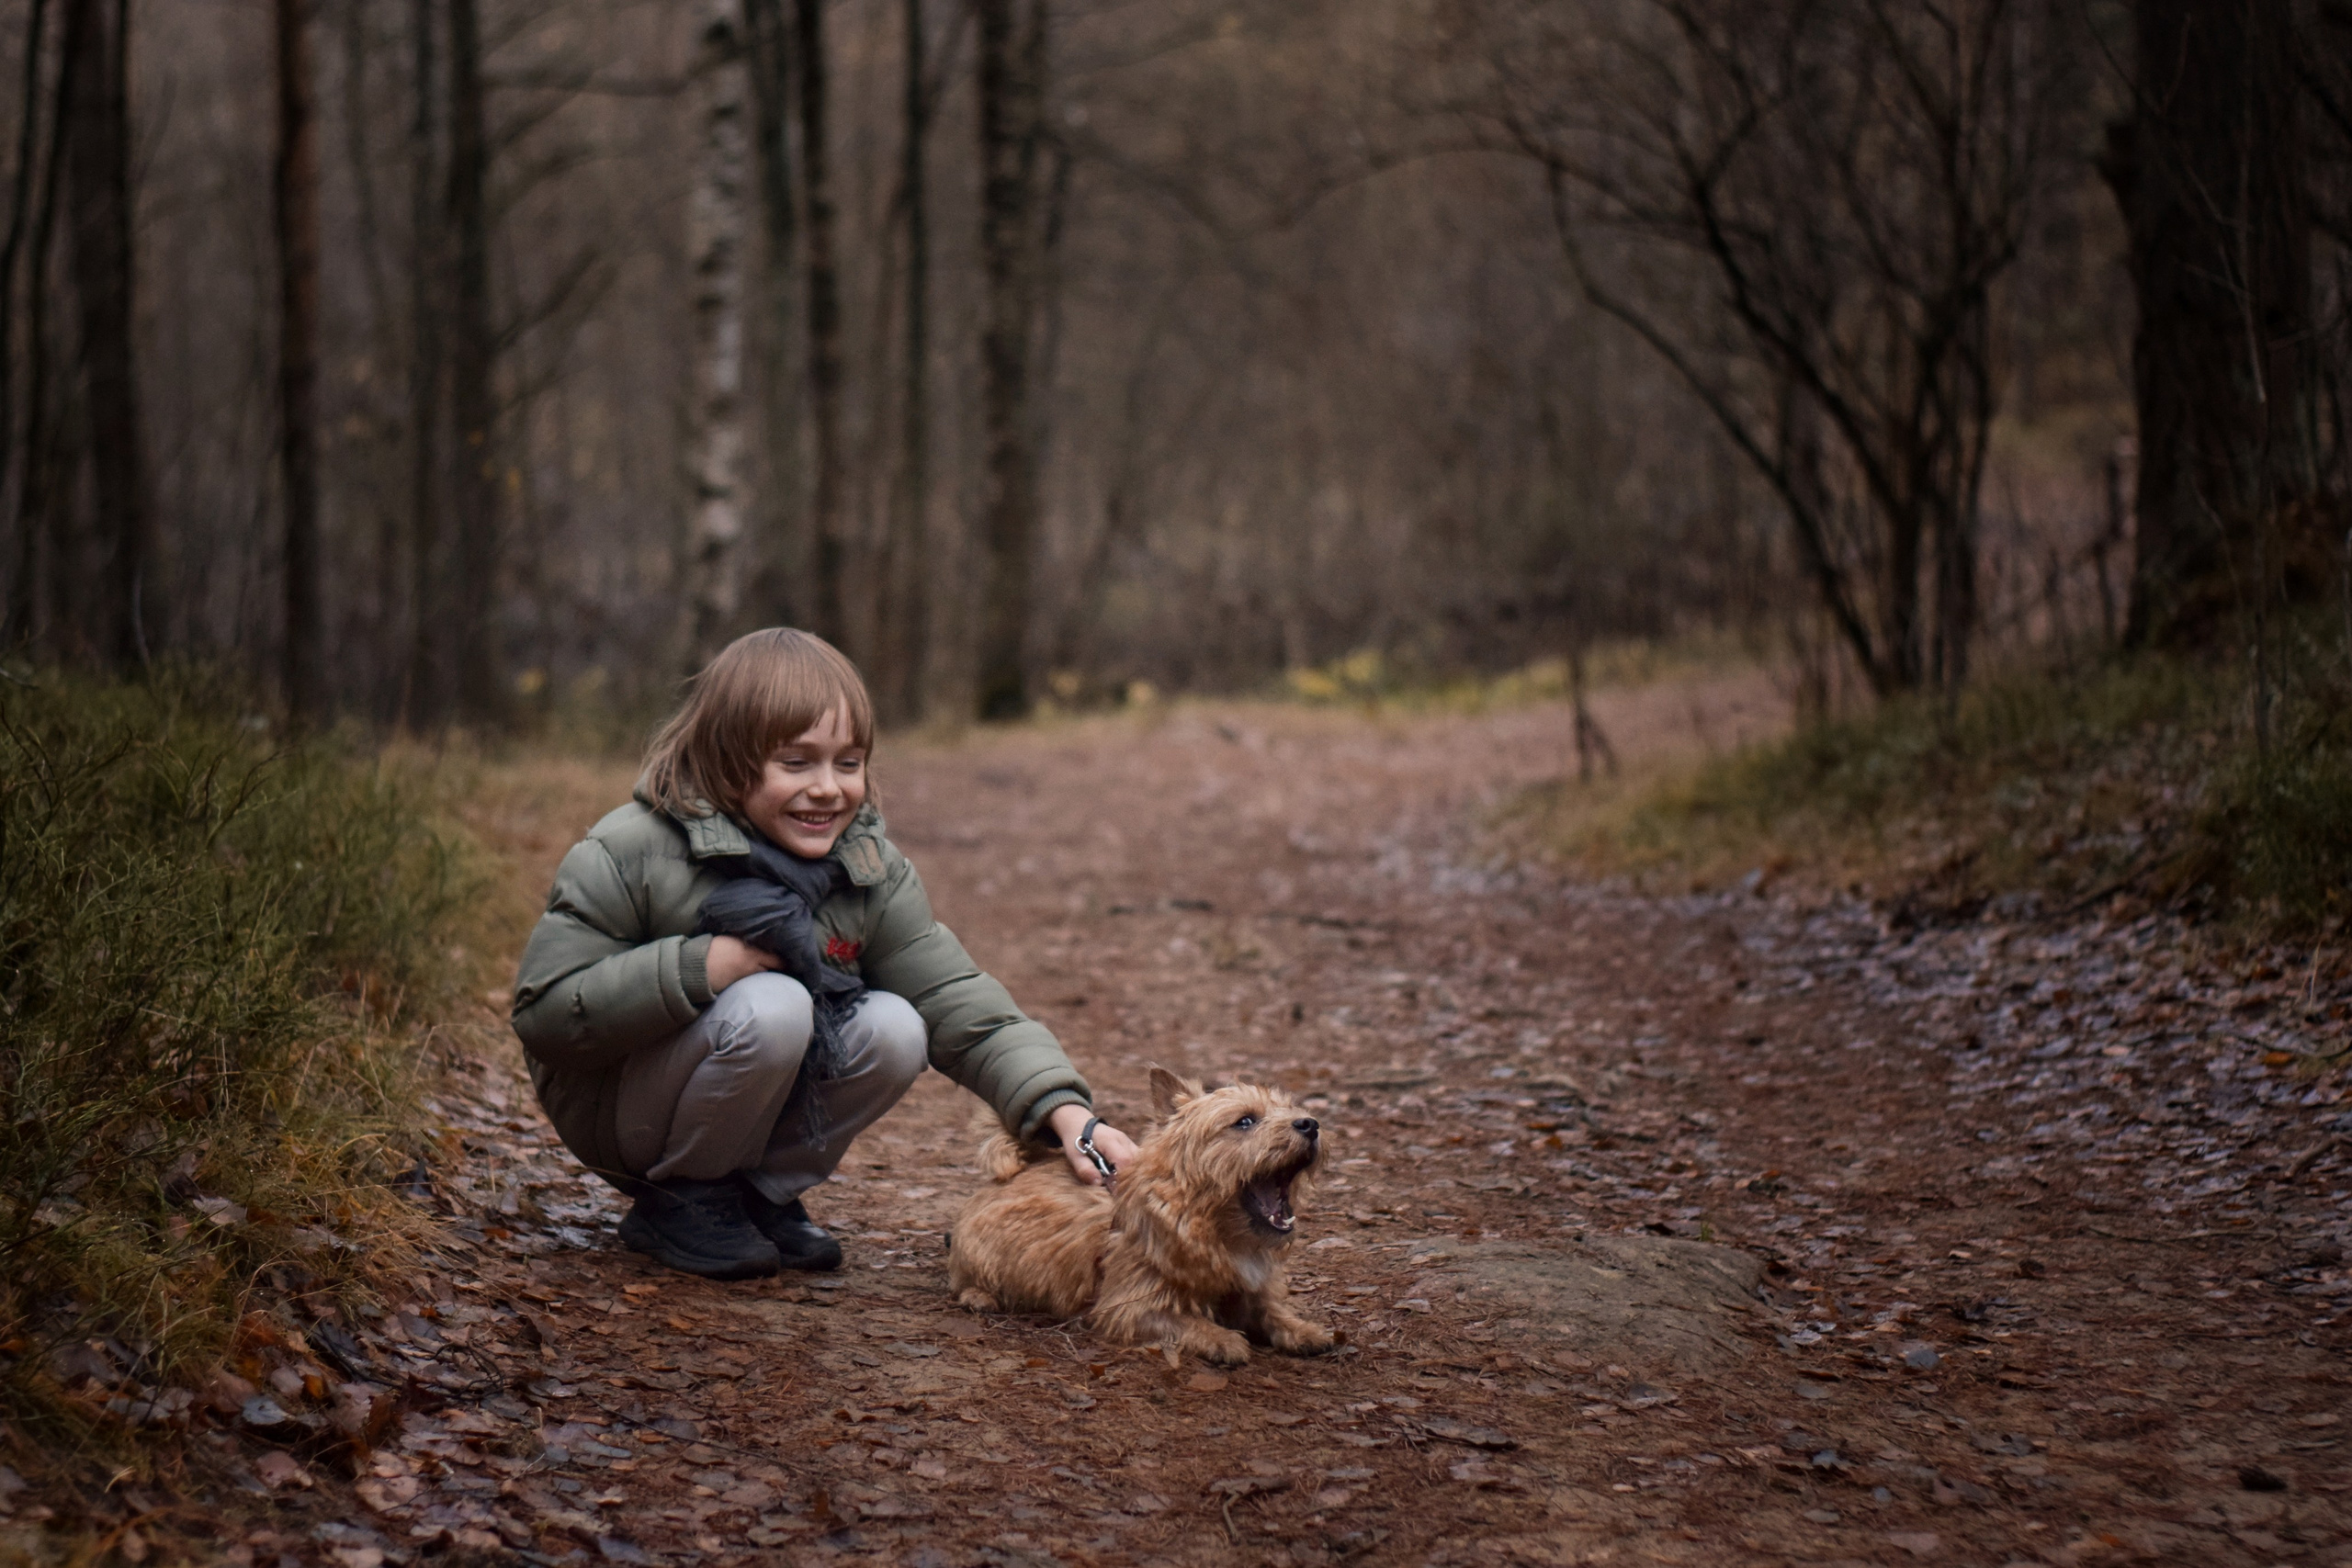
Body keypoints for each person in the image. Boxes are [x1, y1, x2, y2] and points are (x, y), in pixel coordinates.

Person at [510, 628, 1139, 1279]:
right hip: (621, 1109)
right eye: (796, 761)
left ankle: (758, 1196)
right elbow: (545, 1013)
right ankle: (683, 1200)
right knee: (775, 1004)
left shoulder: (864, 868)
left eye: (848, 762)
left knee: (898, 1026)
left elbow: (957, 998)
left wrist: (1073, 1118)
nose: (828, 788)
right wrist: (699, 967)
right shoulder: (631, 849)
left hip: (732, 1086)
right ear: (728, 762)